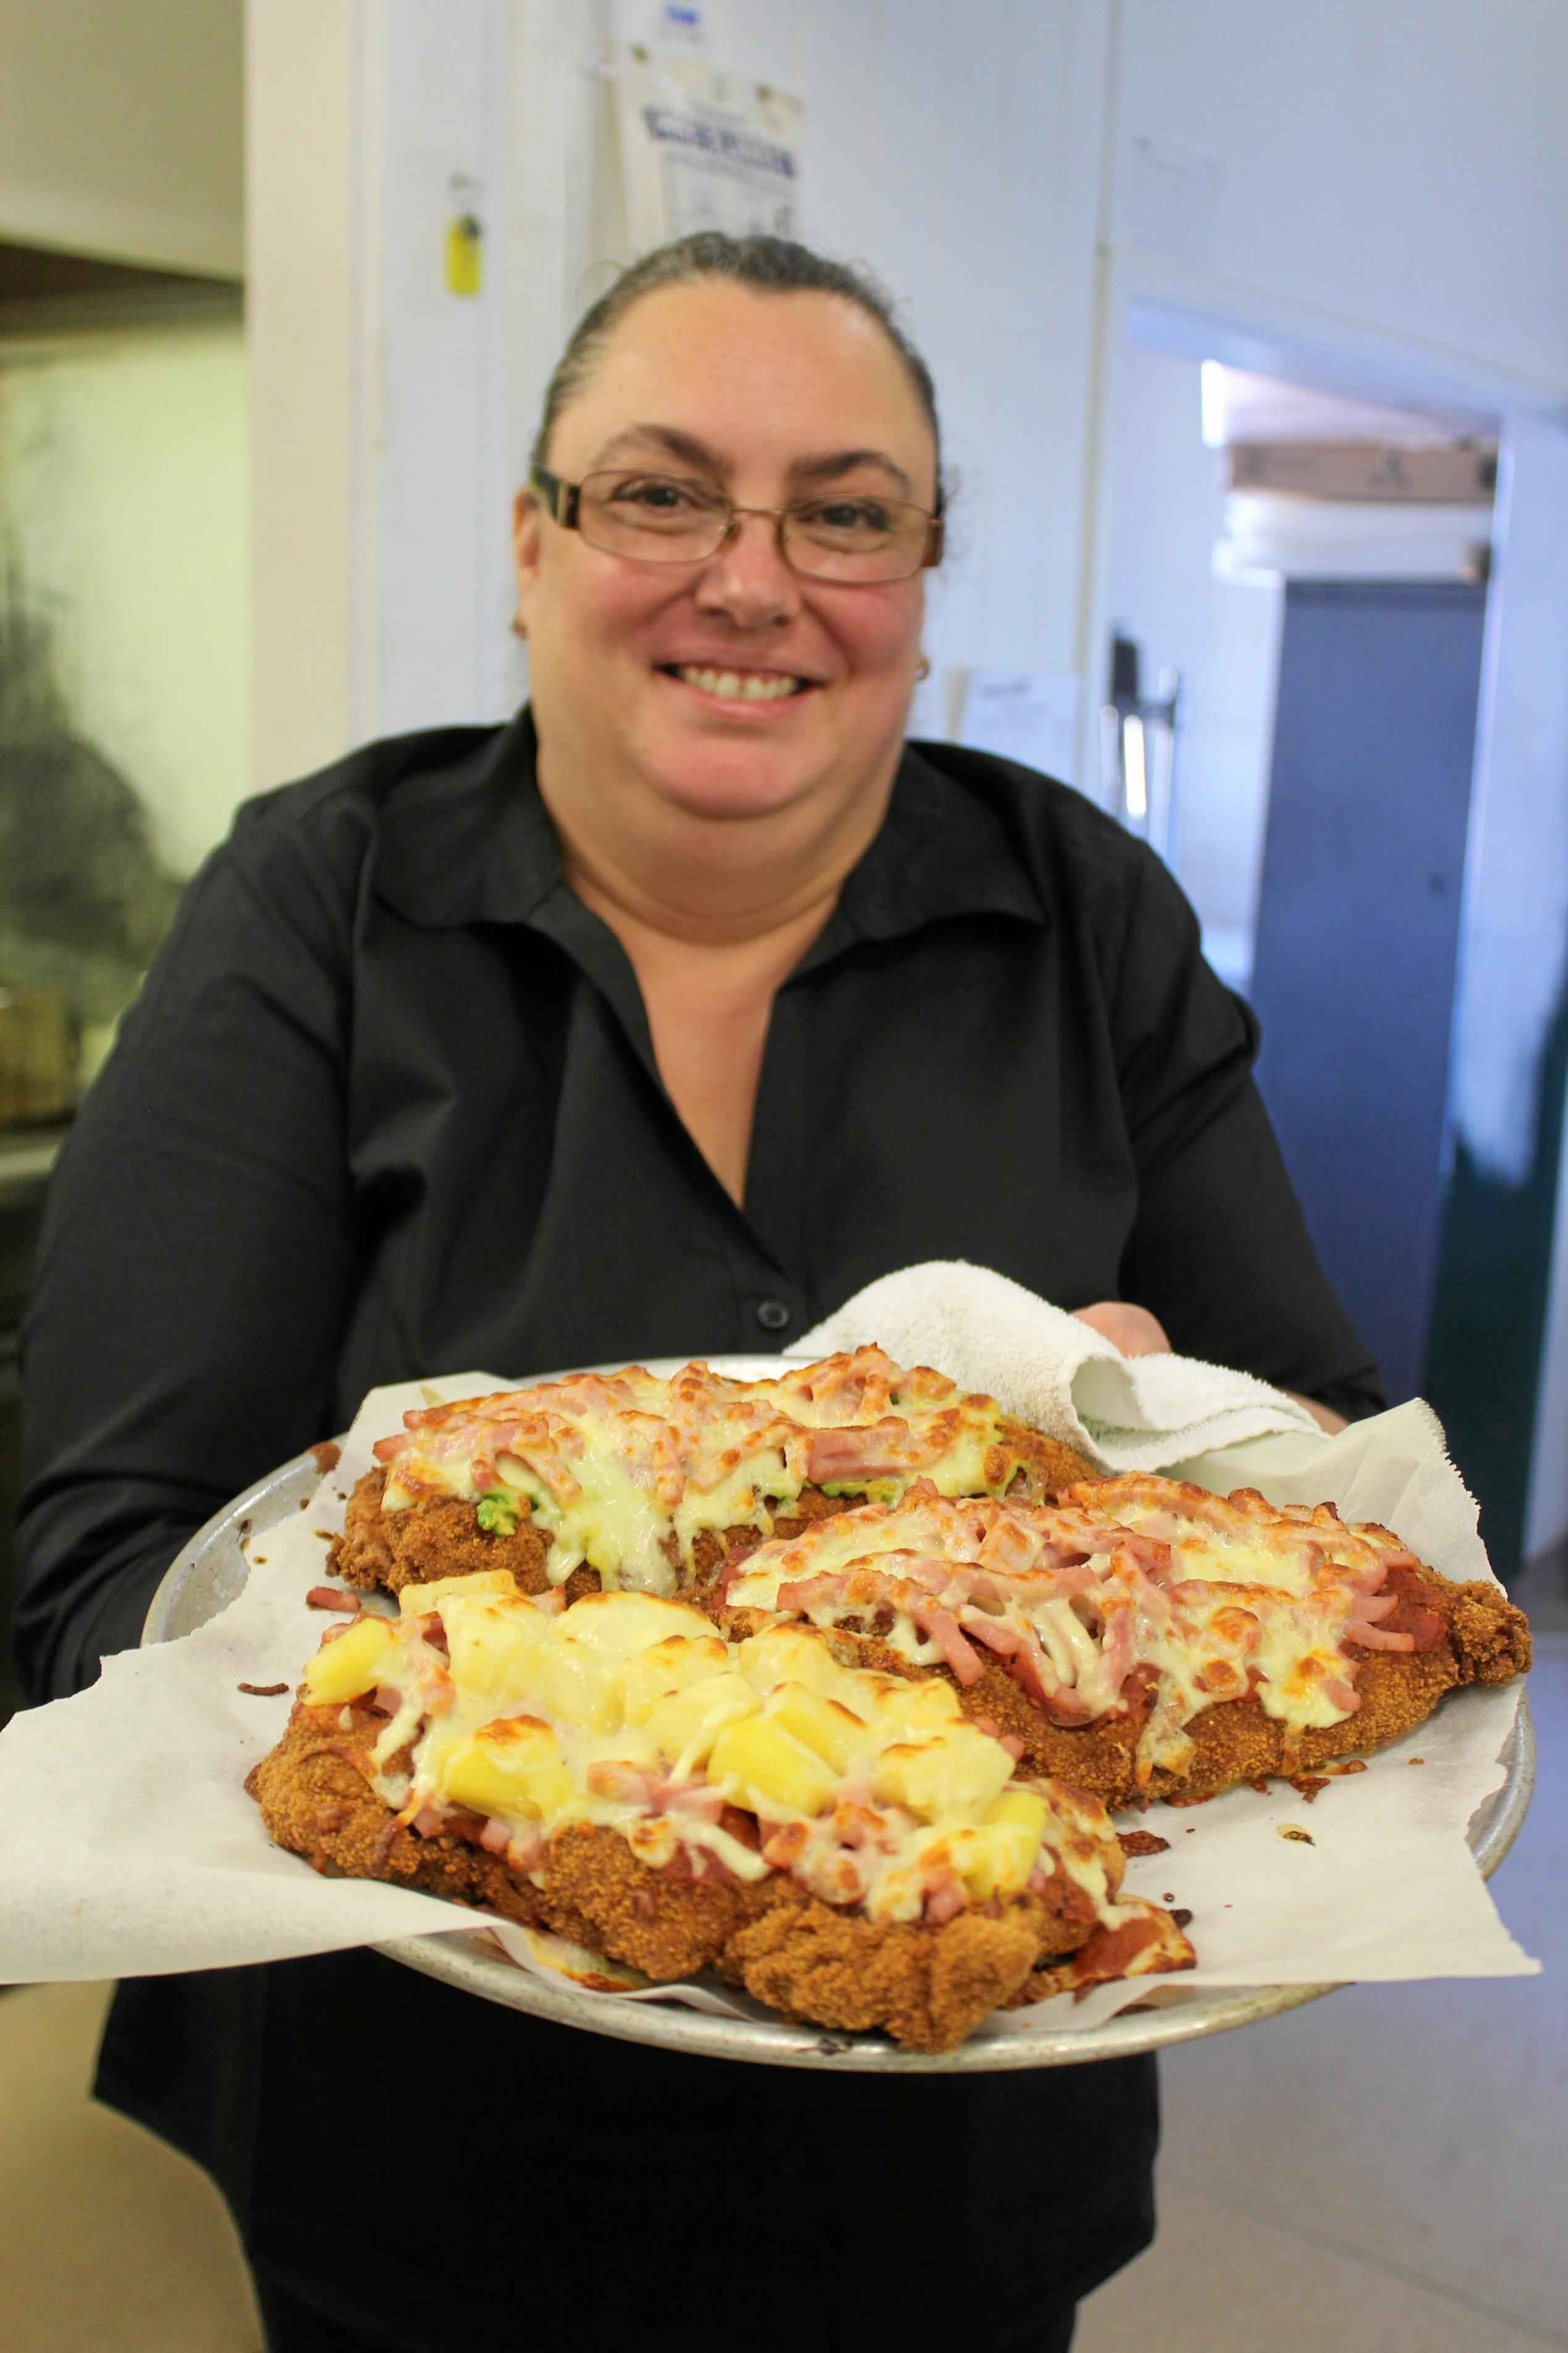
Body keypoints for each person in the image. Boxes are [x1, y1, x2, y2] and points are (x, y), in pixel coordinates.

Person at [16, 234, 1380, 2353]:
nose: (754, 580)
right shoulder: (327, 898)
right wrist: (468, 1729)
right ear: (531, 546)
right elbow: (103, 1554)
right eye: (660, 492)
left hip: (966, 2111)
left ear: (921, 585)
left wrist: (1157, 1471)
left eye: (844, 512)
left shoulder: (1078, 910)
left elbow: (1326, 1469)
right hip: (419, 2146)